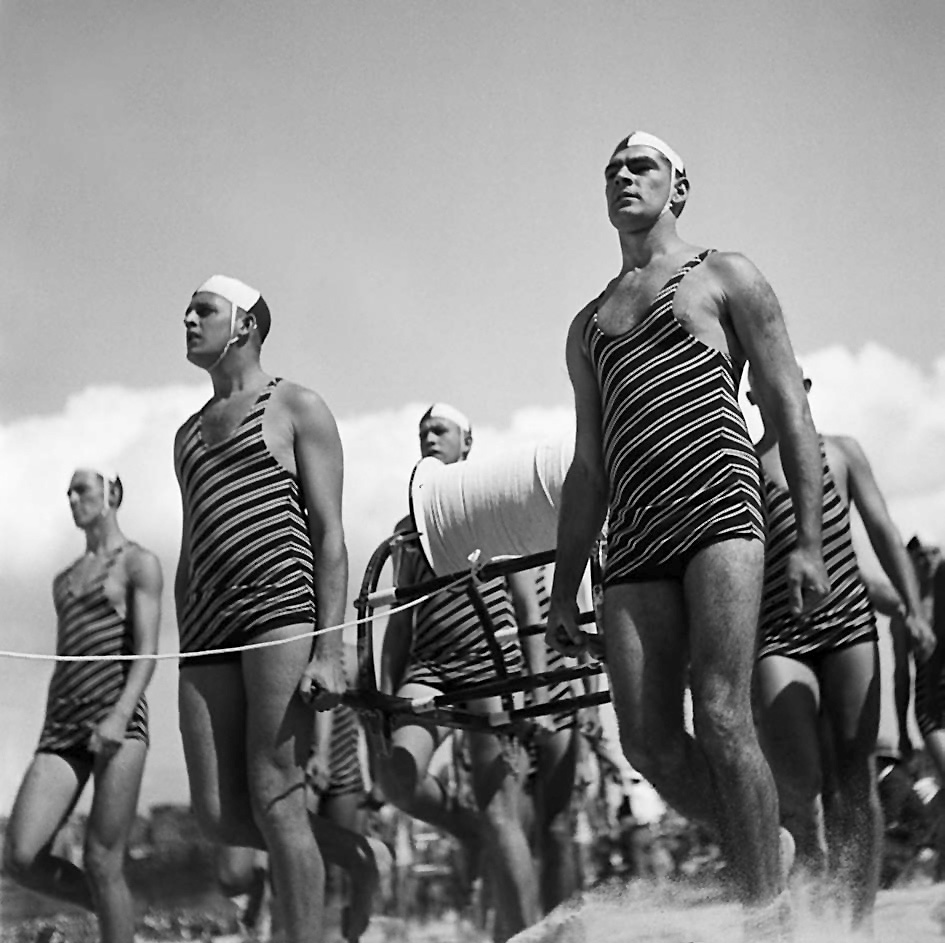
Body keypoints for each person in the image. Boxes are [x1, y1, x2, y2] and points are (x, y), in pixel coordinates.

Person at [545, 130, 829, 937]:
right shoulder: (587, 324)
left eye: (639, 166)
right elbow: (588, 467)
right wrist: (564, 587)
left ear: (679, 186)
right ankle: (763, 850)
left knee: (721, 711)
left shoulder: (724, 274)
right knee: (645, 741)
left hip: (718, 507)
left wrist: (805, 540)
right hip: (631, 534)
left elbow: (788, 410)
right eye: (610, 170)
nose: (621, 178)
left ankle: (763, 915)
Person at [175, 275, 355, 943]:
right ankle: (353, 851)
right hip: (206, 627)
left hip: (281, 608)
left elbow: (330, 532)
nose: (188, 320)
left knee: (275, 793)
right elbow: (192, 544)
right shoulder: (185, 435)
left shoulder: (296, 405)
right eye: (188, 311)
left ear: (244, 324)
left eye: (204, 310)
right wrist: (185, 642)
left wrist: (328, 649)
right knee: (219, 813)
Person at [749, 368, 934, 932]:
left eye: (794, 383)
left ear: (806, 388)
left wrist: (914, 608)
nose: (784, 393)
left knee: (854, 783)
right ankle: (813, 911)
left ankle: (859, 924)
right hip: (779, 636)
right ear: (752, 395)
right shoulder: (747, 467)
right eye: (768, 383)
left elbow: (881, 527)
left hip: (850, 626)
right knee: (800, 789)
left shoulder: (844, 453)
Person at [371, 403, 540, 940]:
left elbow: (527, 604)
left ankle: (528, 933)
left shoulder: (484, 505)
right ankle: (464, 828)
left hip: (492, 665)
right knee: (397, 776)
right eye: (422, 432)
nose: (428, 437)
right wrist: (385, 695)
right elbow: (398, 620)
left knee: (502, 817)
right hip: (430, 665)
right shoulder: (405, 526)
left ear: (467, 442)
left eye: (439, 430)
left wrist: (532, 690)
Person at [3, 467, 162, 943]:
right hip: (62, 724)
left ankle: (119, 922)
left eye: (82, 489)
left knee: (101, 858)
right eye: (68, 492)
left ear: (113, 492)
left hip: (119, 719)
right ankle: (122, 921)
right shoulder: (64, 580)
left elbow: (147, 652)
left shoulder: (139, 563)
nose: (72, 498)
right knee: (20, 856)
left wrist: (118, 715)